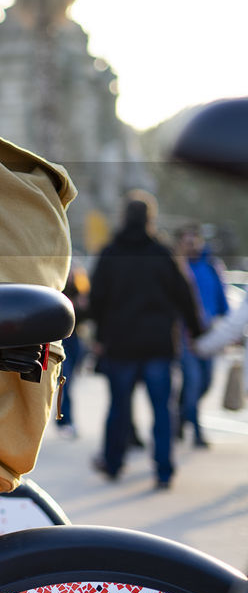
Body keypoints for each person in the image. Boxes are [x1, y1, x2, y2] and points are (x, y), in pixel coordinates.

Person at [88, 191, 203, 490]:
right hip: (158, 345)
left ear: (125, 217)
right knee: (162, 410)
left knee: (118, 408)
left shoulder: (111, 253)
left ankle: (113, 462)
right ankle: (163, 469)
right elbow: (184, 295)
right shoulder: (162, 254)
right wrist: (197, 331)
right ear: (150, 219)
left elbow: (97, 299)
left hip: (120, 344)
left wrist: (99, 336)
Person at [176, 225, 229, 447]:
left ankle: (179, 417)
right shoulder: (178, 268)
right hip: (185, 336)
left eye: (194, 241)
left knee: (206, 383)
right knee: (193, 382)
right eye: (186, 242)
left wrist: (224, 330)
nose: (191, 245)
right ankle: (196, 432)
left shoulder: (212, 267)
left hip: (208, 336)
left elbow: (222, 303)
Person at [54, 260, 90, 439]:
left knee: (69, 382)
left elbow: (85, 315)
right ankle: (64, 420)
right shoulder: (55, 289)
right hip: (60, 340)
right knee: (64, 381)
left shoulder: (80, 287)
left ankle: (64, 419)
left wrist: (82, 306)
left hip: (75, 339)